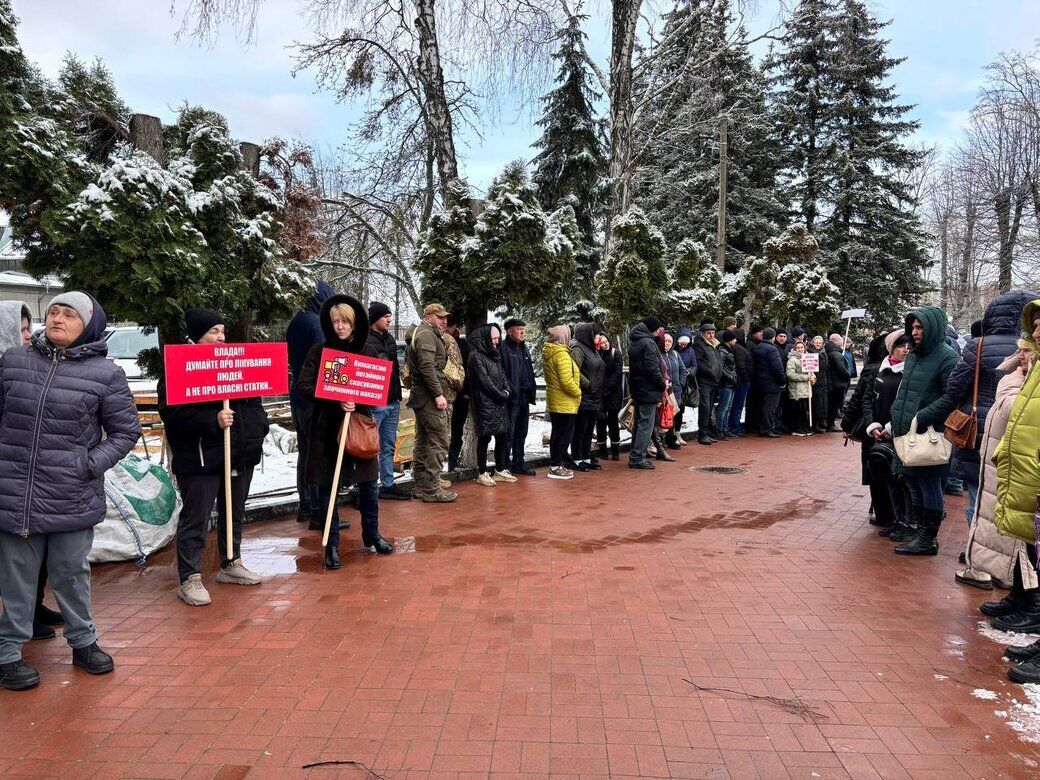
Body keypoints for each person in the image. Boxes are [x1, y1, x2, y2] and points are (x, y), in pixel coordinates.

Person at [0, 292, 140, 691]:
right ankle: (8, 653)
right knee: (16, 577)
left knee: (70, 574)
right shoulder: (14, 361)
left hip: (70, 494)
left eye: (70, 314)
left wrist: (88, 464)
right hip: (16, 493)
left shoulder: (105, 374)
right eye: (55, 311)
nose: (58, 318)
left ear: (89, 325)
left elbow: (125, 431)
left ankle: (83, 643)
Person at [159, 308, 269, 606]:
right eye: (213, 332)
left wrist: (260, 427)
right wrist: (213, 421)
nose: (220, 337)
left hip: (239, 454)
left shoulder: (237, 363)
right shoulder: (178, 366)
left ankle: (231, 563)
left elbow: (253, 400)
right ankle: (190, 577)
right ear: (198, 335)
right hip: (201, 459)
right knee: (196, 517)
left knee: (234, 512)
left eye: (222, 331)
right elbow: (173, 414)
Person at [298, 295, 394, 569]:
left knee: (368, 485)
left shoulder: (367, 351)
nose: (340, 327)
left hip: (359, 427)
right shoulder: (319, 352)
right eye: (336, 322)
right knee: (328, 488)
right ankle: (332, 545)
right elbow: (303, 386)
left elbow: (379, 387)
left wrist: (359, 399)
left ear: (355, 323)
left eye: (345, 322)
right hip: (327, 430)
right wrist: (334, 397)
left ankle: (372, 534)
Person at [943, 292, 1038, 529]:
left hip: (980, 431)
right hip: (1022, 438)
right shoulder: (1029, 348)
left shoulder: (980, 345)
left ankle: (976, 551)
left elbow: (954, 387)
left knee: (978, 493)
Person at [0, 302, 62, 642]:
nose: (28, 336)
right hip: (10, 477)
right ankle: (13, 627)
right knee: (13, 563)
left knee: (36, 555)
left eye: (28, 328)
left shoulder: (30, 366)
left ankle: (33, 610)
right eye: (21, 329)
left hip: (34, 480)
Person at [956, 341, 1034, 592]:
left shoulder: (1018, 381)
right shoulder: (1023, 374)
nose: (1019, 356)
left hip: (1019, 469)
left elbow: (1017, 411)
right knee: (994, 520)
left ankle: (1023, 596)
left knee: (1017, 533)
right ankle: (1013, 589)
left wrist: (1008, 383)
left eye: (1026, 350)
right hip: (1001, 464)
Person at [888, 307, 960, 556]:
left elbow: (953, 397)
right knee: (913, 483)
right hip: (907, 432)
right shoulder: (915, 355)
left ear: (933, 328)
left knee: (929, 485)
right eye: (913, 328)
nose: (915, 333)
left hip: (930, 434)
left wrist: (923, 415)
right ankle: (920, 533)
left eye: (920, 328)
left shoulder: (947, 357)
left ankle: (927, 538)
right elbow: (905, 391)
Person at [286, 282, 333, 525]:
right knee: (317, 454)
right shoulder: (316, 323)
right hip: (313, 399)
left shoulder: (297, 320)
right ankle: (318, 511)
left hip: (298, 398)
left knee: (305, 453)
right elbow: (325, 360)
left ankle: (305, 505)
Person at [861, 331, 911, 536]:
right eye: (901, 346)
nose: (906, 350)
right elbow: (866, 399)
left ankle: (901, 519)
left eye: (908, 346)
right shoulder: (879, 369)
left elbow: (907, 404)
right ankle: (888, 516)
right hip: (875, 431)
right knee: (878, 473)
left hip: (897, 432)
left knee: (899, 478)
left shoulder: (910, 372)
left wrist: (890, 427)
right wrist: (872, 425)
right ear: (892, 348)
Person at [406, 304, 457, 503]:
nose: (444, 321)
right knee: (439, 440)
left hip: (421, 396)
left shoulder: (424, 332)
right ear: (428, 317)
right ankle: (432, 489)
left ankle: (420, 485)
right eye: (439, 317)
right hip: (428, 397)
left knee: (423, 441)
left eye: (445, 317)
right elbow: (427, 366)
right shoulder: (427, 335)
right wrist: (438, 394)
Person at [365, 302, 410, 501]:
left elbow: (393, 371)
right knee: (368, 446)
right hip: (375, 401)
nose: (389, 320)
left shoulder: (390, 339)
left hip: (392, 400)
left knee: (388, 445)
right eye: (386, 317)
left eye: (390, 317)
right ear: (375, 318)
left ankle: (388, 484)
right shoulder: (365, 340)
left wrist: (398, 395)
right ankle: (366, 487)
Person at [465, 323, 515, 486]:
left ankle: (500, 469)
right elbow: (484, 381)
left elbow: (502, 376)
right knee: (485, 437)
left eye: (497, 338)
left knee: (502, 435)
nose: (496, 341)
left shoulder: (495, 354)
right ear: (485, 338)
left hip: (499, 403)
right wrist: (501, 395)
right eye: (493, 338)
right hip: (485, 403)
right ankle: (482, 472)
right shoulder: (476, 356)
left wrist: (507, 390)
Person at [542, 325, 581, 479]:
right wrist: (578, 393)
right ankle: (555, 466)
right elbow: (566, 381)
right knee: (563, 435)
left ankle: (556, 464)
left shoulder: (550, 352)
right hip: (564, 401)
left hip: (556, 400)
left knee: (558, 434)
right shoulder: (562, 355)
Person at [628, 317, 667, 470]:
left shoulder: (636, 342)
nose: (659, 331)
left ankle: (635, 455)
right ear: (651, 328)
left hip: (639, 389)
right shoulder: (648, 343)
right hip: (648, 389)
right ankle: (638, 457)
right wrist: (662, 384)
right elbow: (653, 368)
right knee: (646, 425)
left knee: (639, 423)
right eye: (657, 328)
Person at [500, 318, 537, 477]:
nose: (523, 332)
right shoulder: (503, 348)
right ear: (509, 331)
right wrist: (509, 390)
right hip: (512, 398)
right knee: (509, 433)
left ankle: (518, 463)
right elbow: (501, 373)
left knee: (521, 432)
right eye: (519, 329)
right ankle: (505, 466)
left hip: (524, 396)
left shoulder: (523, 348)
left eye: (524, 329)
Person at [569, 323, 606, 470]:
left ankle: (586, 455)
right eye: (596, 335)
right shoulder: (578, 349)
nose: (599, 337)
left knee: (589, 429)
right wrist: (589, 384)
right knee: (580, 429)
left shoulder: (593, 350)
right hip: (584, 396)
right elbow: (574, 371)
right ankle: (577, 458)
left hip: (595, 397)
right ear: (589, 335)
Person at [444, 317, 470, 473]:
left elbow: (466, 369)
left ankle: (452, 464)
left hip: (460, 396)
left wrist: (467, 392)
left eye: (450, 327)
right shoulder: (437, 342)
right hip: (442, 395)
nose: (447, 330)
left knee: (457, 431)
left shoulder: (462, 345)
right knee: (442, 433)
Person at [752, 328, 785, 438]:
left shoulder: (757, 348)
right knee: (770, 407)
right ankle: (767, 429)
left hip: (760, 381)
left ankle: (762, 427)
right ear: (773, 337)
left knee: (762, 406)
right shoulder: (772, 349)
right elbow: (777, 368)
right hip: (772, 383)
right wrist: (782, 381)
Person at [596, 334, 624, 462]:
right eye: (602, 342)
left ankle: (615, 451)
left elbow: (617, 373)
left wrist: (607, 388)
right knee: (600, 421)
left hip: (614, 393)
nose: (605, 344)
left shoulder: (615, 353)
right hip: (600, 393)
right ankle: (602, 451)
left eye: (606, 341)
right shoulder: (597, 355)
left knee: (613, 421)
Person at [693, 323, 722, 445]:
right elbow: (699, 363)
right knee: (705, 408)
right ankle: (702, 433)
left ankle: (707, 432)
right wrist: (711, 372)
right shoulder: (699, 345)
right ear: (702, 333)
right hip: (705, 381)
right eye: (708, 333)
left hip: (714, 381)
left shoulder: (714, 345)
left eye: (713, 333)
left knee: (710, 408)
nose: (711, 335)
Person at [661, 331, 688, 449]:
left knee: (674, 413)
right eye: (665, 341)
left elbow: (683, 370)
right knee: (665, 414)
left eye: (669, 341)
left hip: (676, 390)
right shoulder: (658, 354)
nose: (667, 343)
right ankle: (663, 439)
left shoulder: (675, 354)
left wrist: (681, 383)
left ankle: (671, 439)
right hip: (664, 390)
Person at [785, 339, 814, 436]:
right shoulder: (792, 360)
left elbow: (812, 372)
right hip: (796, 390)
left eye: (802, 347)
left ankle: (804, 427)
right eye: (798, 348)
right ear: (795, 349)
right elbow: (790, 375)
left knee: (804, 410)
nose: (800, 349)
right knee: (797, 410)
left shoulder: (808, 358)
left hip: (806, 390)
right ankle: (797, 428)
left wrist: (813, 379)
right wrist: (806, 377)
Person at [673, 328, 697, 443]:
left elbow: (695, 366)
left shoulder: (691, 351)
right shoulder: (673, 351)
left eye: (685, 343)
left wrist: (689, 371)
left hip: (684, 383)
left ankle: (677, 434)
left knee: (680, 410)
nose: (683, 345)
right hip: (673, 383)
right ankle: (670, 434)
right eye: (681, 343)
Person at [728, 328, 753, 436]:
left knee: (734, 405)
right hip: (743, 381)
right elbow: (742, 366)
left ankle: (733, 426)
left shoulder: (734, 348)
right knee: (738, 406)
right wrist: (746, 377)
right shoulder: (740, 349)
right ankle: (734, 427)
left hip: (738, 380)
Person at [825, 333, 851, 431]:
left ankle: (829, 423)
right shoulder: (836, 354)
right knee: (834, 405)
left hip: (832, 383)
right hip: (837, 384)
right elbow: (841, 369)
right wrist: (848, 375)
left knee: (831, 404)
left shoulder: (829, 351)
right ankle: (830, 425)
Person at [715, 331, 738, 439]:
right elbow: (721, 368)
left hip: (731, 382)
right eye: (734, 338)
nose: (736, 340)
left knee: (727, 407)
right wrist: (730, 378)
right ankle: (720, 429)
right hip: (726, 383)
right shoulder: (722, 351)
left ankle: (724, 428)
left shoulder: (729, 350)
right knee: (723, 407)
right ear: (729, 340)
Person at [808, 335, 831, 433]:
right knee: (815, 404)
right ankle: (814, 424)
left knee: (822, 404)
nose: (818, 344)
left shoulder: (824, 354)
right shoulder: (809, 353)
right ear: (813, 343)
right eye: (816, 342)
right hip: (815, 382)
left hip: (823, 381)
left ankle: (819, 422)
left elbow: (827, 369)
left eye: (820, 343)